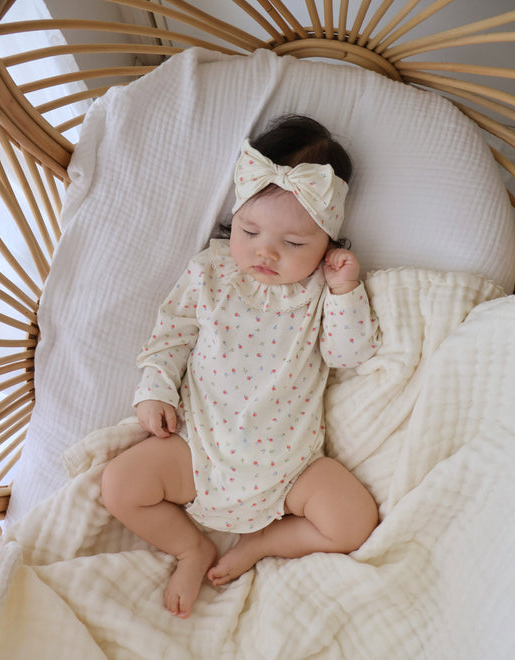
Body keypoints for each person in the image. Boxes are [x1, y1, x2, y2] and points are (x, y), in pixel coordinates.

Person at [101, 115, 380, 619]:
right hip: (198, 448)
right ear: (236, 217)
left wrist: (345, 291)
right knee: (120, 486)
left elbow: (349, 355)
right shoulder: (211, 271)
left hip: (290, 466)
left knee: (355, 521)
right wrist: (154, 391)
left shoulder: (321, 290)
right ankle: (191, 548)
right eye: (250, 231)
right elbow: (172, 334)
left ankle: (264, 542)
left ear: (328, 243)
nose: (265, 251)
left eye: (294, 244)